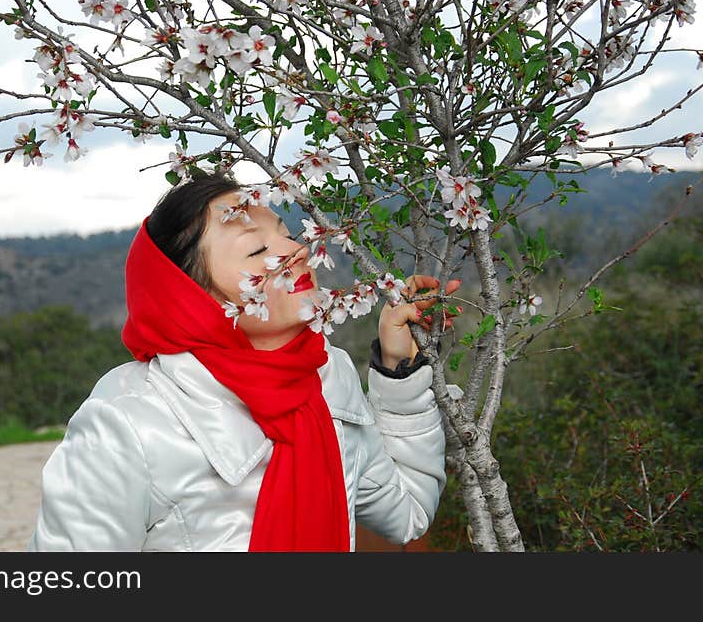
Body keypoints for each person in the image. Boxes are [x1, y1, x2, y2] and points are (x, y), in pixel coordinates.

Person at [27, 170, 463, 552]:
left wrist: (396, 370)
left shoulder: (330, 377)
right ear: (193, 299)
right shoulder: (128, 423)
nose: (294, 250)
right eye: (257, 252)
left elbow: (406, 513)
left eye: (284, 231)